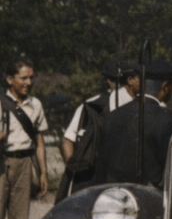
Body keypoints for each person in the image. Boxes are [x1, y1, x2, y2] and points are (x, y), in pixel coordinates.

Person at [94, 60, 172, 188]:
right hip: (147, 197)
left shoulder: (113, 116)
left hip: (112, 195)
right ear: (165, 86)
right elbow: (171, 168)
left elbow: (101, 165)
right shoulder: (167, 118)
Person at [58, 60, 139, 198]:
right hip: (97, 180)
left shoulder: (90, 105)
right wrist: (76, 172)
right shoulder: (91, 107)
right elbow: (67, 141)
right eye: (118, 80)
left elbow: (67, 141)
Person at [0, 59, 48, 219]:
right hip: (2, 162)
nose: (29, 82)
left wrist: (43, 172)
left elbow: (39, 139)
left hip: (24, 164)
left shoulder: (35, 105)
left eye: (31, 77)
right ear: (10, 79)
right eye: (23, 78)